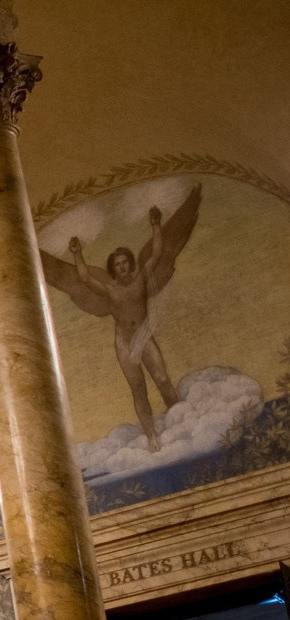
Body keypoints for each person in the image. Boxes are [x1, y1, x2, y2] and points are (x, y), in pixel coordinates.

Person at [40, 184, 201, 450]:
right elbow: (82, 278)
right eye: (118, 265)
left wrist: (156, 225)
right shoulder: (109, 290)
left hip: (143, 337)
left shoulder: (141, 280)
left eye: (126, 262)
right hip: (124, 342)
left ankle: (182, 421)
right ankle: (151, 436)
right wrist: (77, 253)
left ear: (131, 264)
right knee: (138, 388)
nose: (123, 266)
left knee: (161, 377)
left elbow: (158, 253)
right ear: (113, 270)